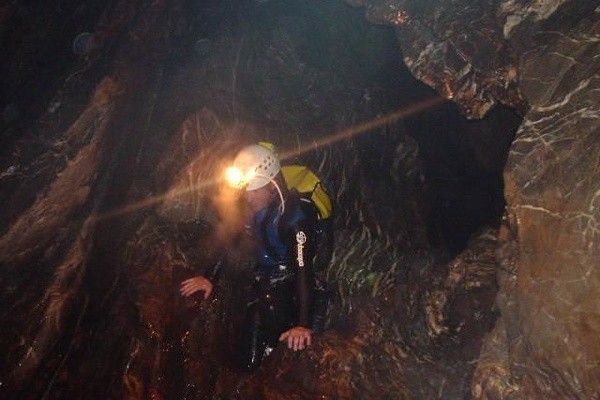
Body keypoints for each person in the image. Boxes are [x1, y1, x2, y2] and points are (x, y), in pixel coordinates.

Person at [180, 143, 324, 370]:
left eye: (255, 190)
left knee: (270, 315)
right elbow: (230, 238)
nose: (249, 196)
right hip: (264, 283)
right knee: (246, 355)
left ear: (272, 187)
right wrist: (210, 277)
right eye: (246, 189)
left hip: (291, 283)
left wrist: (303, 324)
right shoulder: (250, 209)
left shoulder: (295, 218)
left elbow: (303, 270)